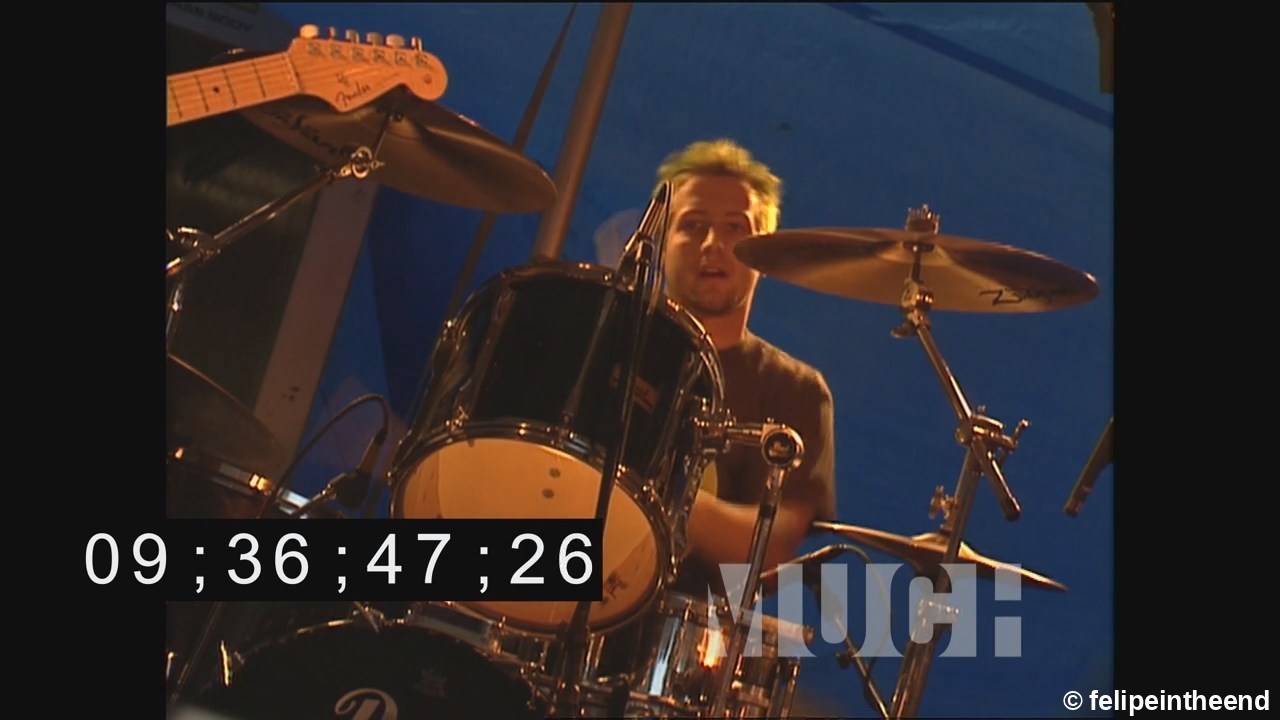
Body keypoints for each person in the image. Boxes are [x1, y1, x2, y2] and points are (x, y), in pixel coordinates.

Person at [652, 138, 838, 600]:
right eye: (692, 225)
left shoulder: (796, 389)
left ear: (764, 256)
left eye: (734, 228)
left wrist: (637, 487)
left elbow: (768, 550)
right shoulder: (608, 343)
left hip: (693, 627)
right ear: (660, 242)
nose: (712, 244)